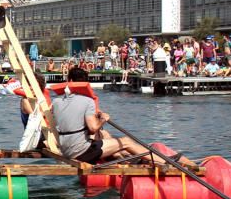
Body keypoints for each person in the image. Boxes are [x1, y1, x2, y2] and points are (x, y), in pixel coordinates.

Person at [51, 67, 196, 167]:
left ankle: (135, 160)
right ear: (86, 83)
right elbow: (92, 128)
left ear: (69, 80)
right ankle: (165, 162)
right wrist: (103, 119)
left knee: (109, 139)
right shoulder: (87, 101)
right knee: (126, 141)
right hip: (81, 152)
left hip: (66, 149)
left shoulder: (56, 101)